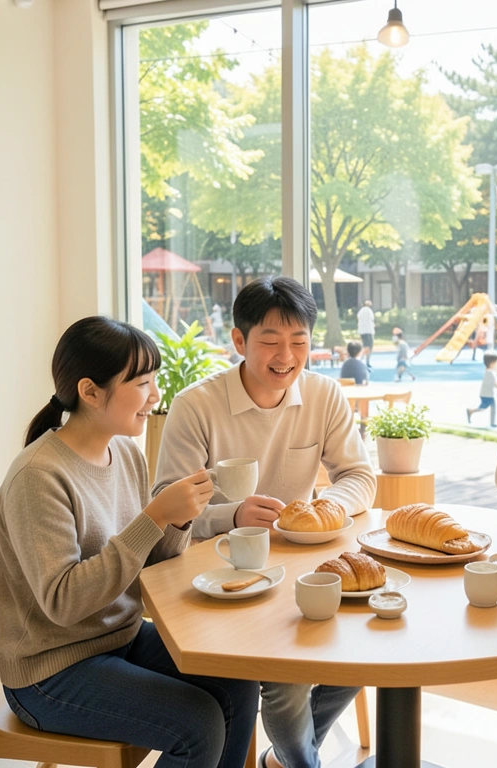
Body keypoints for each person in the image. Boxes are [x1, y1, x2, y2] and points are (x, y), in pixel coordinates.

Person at [0, 316, 258, 768]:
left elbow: (151, 565)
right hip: (49, 671)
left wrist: (178, 521)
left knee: (239, 681)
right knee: (198, 724)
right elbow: (63, 602)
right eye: (142, 383)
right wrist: (154, 516)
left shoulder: (127, 454)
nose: (155, 396)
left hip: (118, 636)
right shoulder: (39, 476)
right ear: (90, 392)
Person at [155, 276, 375, 768]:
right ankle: (302, 761)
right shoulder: (197, 406)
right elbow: (162, 508)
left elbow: (359, 475)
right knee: (285, 678)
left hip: (302, 563)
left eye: (299, 341)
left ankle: (290, 756)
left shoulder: (323, 395)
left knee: (373, 632)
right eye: (270, 341)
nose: (286, 356)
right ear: (239, 340)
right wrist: (231, 514)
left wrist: (329, 506)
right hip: (220, 576)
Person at [466, 352, 497, 428]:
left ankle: (492, 422)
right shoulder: (490, 373)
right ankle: (471, 411)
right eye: (496, 363)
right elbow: (494, 383)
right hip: (487, 394)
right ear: (491, 363)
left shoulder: (489, 372)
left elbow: (493, 383)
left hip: (486, 394)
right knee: (485, 407)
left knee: (488, 407)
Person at [356, 300, 375, 368]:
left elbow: (358, 318)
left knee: (364, 346)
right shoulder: (369, 311)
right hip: (369, 331)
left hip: (362, 331)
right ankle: (367, 361)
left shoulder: (361, 311)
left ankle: (360, 359)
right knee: (369, 346)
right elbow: (372, 319)